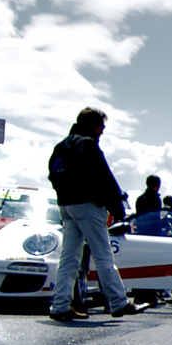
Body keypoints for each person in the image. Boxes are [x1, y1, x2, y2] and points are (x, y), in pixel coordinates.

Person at [47, 107, 145, 321]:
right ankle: (118, 303)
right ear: (93, 125)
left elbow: (52, 175)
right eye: (101, 126)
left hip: (66, 206)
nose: (102, 131)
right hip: (88, 206)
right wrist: (117, 208)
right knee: (103, 254)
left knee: (69, 258)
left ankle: (60, 306)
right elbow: (104, 178)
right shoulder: (88, 145)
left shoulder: (60, 146)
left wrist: (65, 196)